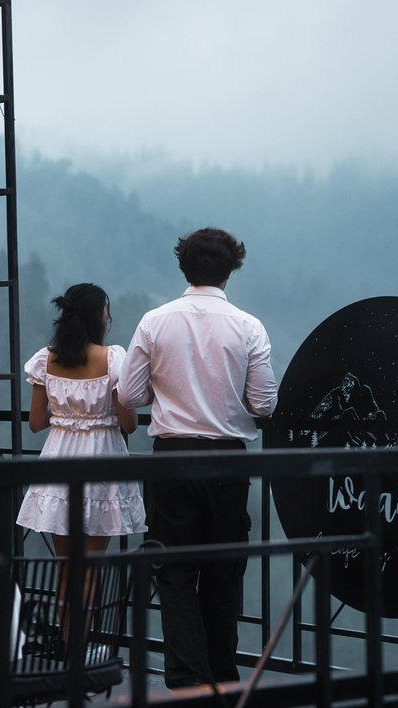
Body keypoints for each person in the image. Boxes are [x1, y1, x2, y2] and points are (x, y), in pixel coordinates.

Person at [117, 227, 278, 689]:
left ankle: (188, 682)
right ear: (231, 270)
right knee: (223, 573)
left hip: (171, 460)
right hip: (228, 462)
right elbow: (264, 404)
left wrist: (169, 389)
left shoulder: (155, 321)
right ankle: (222, 680)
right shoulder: (248, 326)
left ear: (184, 267)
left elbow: (129, 394)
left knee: (175, 572)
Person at [16, 282, 146, 560]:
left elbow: (36, 422)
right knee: (90, 567)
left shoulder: (47, 359)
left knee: (64, 566)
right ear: (100, 315)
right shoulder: (113, 359)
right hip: (101, 459)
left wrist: (67, 412)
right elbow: (129, 424)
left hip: (58, 459)